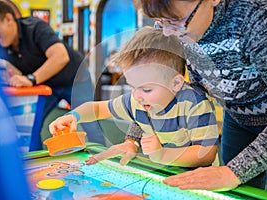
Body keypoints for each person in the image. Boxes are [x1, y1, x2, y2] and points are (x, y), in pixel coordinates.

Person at [122, 0, 267, 198]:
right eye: (160, 22)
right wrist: (134, 138)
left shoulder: (261, 19)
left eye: (176, 21)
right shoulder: (170, 22)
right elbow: (155, 87)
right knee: (236, 193)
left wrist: (233, 172)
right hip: (238, 118)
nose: (167, 33)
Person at [49, 26, 219, 168]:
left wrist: (162, 154)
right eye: (133, 87)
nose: (137, 96)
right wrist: (73, 116)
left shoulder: (193, 103)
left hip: (196, 178)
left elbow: (206, 153)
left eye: (147, 89)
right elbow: (98, 109)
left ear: (175, 83)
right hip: (163, 172)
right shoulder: (137, 100)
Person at [0, 1, 105, 150]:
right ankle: (35, 164)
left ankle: (103, 160)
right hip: (47, 85)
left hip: (75, 79)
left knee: (91, 124)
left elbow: (61, 56)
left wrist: (31, 79)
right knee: (32, 125)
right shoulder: (4, 45)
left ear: (8, 19)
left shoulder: (34, 27)